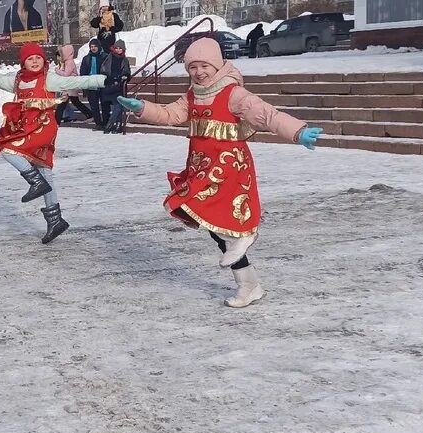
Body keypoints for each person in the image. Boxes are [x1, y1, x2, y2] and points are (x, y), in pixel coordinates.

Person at [118, 37, 323, 308]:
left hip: (228, 165)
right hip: (202, 165)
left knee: (211, 213)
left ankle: (244, 235)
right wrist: (144, 108)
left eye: (205, 66)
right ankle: (249, 285)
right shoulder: (193, 94)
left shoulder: (233, 93)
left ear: (218, 65)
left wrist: (297, 131)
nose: (199, 72)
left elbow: (267, 115)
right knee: (213, 227)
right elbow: (171, 115)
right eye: (193, 67)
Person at [0, 43, 106, 244]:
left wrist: (103, 80)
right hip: (26, 127)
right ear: (23, 62)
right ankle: (55, 220)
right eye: (30, 59)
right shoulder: (19, 80)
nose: (34, 62)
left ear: (44, 60)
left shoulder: (49, 78)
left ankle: (35, 182)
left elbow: (76, 81)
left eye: (38, 58)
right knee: (45, 172)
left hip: (43, 128)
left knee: (8, 149)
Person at [98, 39, 132, 133]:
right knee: (114, 106)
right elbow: (103, 70)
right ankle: (111, 124)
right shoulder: (109, 57)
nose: (118, 50)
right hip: (109, 85)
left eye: (120, 48)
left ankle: (115, 124)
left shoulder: (125, 60)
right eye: (116, 48)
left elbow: (128, 72)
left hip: (119, 86)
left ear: (123, 49)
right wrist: (112, 77)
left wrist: (125, 77)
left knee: (119, 106)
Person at [55, 44, 93, 125]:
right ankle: (90, 114)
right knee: (75, 102)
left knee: (62, 104)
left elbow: (66, 74)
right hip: (69, 85)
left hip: (70, 86)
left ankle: (56, 121)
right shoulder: (66, 62)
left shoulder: (69, 62)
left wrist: (57, 71)